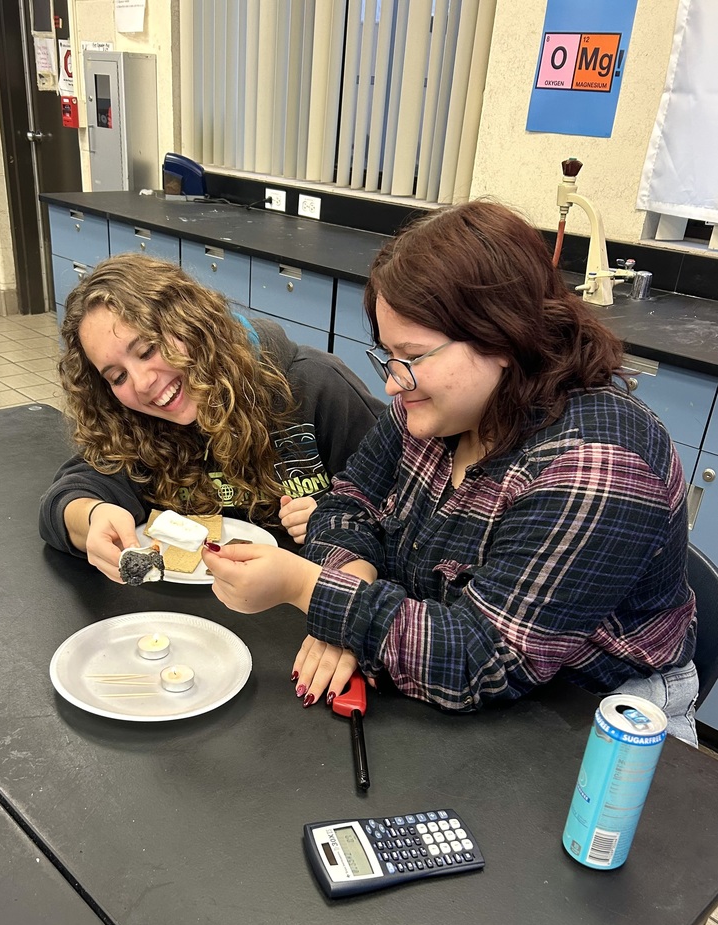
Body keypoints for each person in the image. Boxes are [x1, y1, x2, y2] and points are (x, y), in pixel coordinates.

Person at [202, 199, 700, 745]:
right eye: (389, 355)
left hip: (595, 719)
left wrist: (307, 587)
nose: (393, 382)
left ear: (502, 337)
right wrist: (350, 589)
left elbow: (479, 660)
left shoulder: (595, 465)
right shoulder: (436, 408)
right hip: (448, 680)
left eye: (412, 356)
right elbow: (347, 504)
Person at [39, 253, 384, 579]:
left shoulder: (318, 385)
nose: (142, 383)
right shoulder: (137, 424)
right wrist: (92, 516)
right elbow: (68, 497)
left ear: (190, 322)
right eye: (118, 377)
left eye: (147, 350)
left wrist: (338, 520)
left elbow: (401, 509)